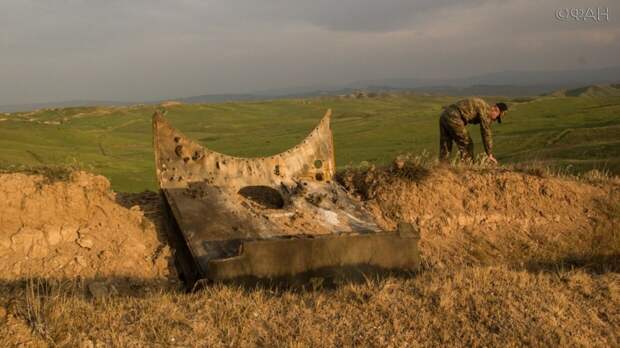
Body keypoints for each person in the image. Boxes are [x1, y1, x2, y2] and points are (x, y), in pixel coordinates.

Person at [439, 98, 508, 164]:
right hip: (454, 115)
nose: (494, 120)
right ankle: (467, 168)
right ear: (495, 109)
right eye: (497, 117)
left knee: (446, 144)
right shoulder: (485, 110)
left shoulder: (482, 105)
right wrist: (489, 154)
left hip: (445, 114)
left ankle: (441, 168)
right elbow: (486, 132)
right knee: (467, 143)